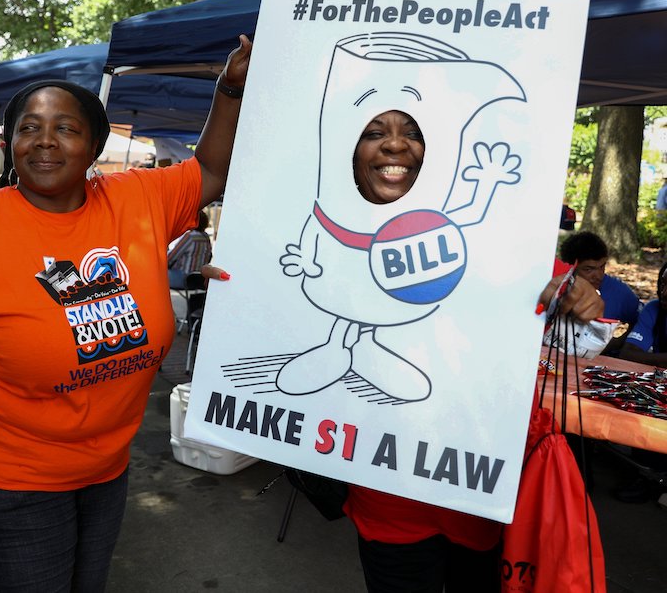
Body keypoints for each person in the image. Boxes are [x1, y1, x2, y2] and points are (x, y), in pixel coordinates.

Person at [0, 36, 252, 591]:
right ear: (9, 143)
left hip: (104, 469)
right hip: (0, 476)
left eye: (66, 129)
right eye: (29, 128)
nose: (45, 142)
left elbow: (212, 169)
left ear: (95, 145)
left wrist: (231, 87)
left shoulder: (137, 200)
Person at [203, 110, 603, 592]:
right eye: (374, 133)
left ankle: (356, 350)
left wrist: (576, 292)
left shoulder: (497, 240)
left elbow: (560, 288)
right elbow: (277, 286)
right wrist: (241, 285)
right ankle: (344, 349)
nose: (395, 146)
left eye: (414, 133)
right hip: (386, 496)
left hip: (475, 490)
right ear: (350, 151)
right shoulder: (320, 217)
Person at [612, 260, 667, 503]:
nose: (664, 292)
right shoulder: (655, 309)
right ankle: (646, 475)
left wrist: (651, 359)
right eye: (663, 284)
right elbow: (629, 353)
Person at [559, 230, 641, 349]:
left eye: (602, 267)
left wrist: (617, 343)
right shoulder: (555, 288)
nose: (598, 276)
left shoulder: (618, 292)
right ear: (570, 267)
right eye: (588, 269)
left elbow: (642, 320)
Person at [167, 208, 213, 289]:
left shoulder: (190, 237)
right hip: (199, 279)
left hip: (183, 278)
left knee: (152, 274)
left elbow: (171, 257)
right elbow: (209, 257)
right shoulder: (206, 237)